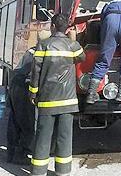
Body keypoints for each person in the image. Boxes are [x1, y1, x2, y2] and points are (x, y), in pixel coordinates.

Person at [28, 14, 85, 176]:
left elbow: (35, 71)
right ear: (66, 28)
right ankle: (63, 171)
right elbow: (82, 57)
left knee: (43, 137)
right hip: (68, 101)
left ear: (52, 26)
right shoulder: (73, 46)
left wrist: (33, 92)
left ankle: (38, 172)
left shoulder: (43, 45)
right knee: (65, 138)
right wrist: (73, 39)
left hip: (47, 100)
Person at [7, 46, 37, 165]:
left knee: (14, 120)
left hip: (16, 83)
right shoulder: (40, 52)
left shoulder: (32, 50)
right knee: (27, 123)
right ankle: (21, 154)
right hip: (24, 87)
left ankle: (11, 153)